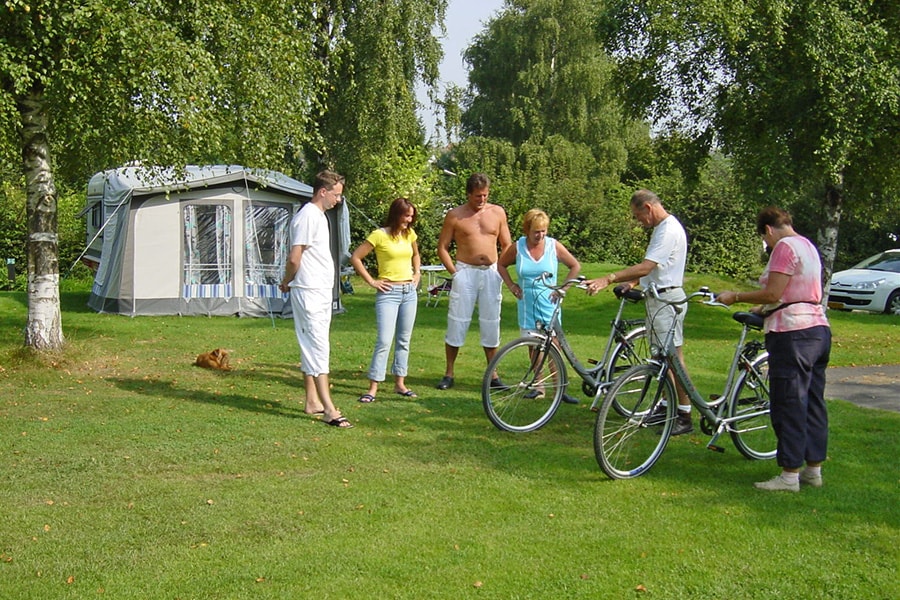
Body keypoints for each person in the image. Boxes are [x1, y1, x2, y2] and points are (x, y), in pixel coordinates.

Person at [718, 206, 831, 492]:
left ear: (768, 229)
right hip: (818, 329)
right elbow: (794, 292)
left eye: (764, 239)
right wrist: (764, 306)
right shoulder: (808, 245)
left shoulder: (783, 247)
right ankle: (813, 469)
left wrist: (737, 296)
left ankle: (789, 474)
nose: (767, 246)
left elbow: (773, 292)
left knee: (789, 403)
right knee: (813, 401)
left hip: (792, 334)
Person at [585, 189, 694, 435]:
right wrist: (633, 283)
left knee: (673, 359)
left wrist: (609, 278)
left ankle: (685, 415)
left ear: (648, 207)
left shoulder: (667, 230)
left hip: (667, 301)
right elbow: (657, 267)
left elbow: (646, 267)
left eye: (638, 216)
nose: (639, 222)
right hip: (658, 298)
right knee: (662, 358)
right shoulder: (662, 229)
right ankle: (666, 406)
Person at [279, 170, 352, 428]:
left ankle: (312, 401)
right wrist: (287, 281)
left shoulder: (319, 217)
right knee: (318, 347)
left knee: (313, 345)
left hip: (319, 292)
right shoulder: (307, 217)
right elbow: (294, 257)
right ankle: (330, 409)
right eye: (336, 195)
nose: (338, 200)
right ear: (323, 191)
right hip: (308, 291)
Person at [435, 172, 513, 390]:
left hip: (490, 271)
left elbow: (507, 244)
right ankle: (449, 373)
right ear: (469, 194)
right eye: (478, 196)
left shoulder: (497, 212)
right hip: (465, 271)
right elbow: (442, 247)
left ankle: (493, 374)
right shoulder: (455, 215)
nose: (482, 200)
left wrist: (501, 268)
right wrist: (455, 273)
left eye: (485, 196)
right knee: (457, 321)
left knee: (491, 321)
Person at [498, 208, 582, 404]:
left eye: (543, 231)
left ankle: (560, 387)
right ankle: (539, 386)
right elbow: (501, 265)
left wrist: (563, 288)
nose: (540, 235)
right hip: (527, 302)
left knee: (553, 345)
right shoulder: (518, 247)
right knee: (533, 345)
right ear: (527, 229)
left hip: (549, 301)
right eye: (537, 231)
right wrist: (511, 285)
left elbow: (575, 266)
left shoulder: (553, 246)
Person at [349, 198, 421, 402]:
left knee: (404, 340)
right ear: (396, 214)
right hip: (388, 293)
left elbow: (416, 254)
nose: (409, 219)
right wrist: (372, 281)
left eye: (411, 216)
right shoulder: (379, 235)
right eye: (406, 215)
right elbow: (356, 257)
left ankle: (400, 383)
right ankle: (373, 387)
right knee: (384, 340)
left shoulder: (410, 234)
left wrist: (417, 274)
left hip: (409, 292)